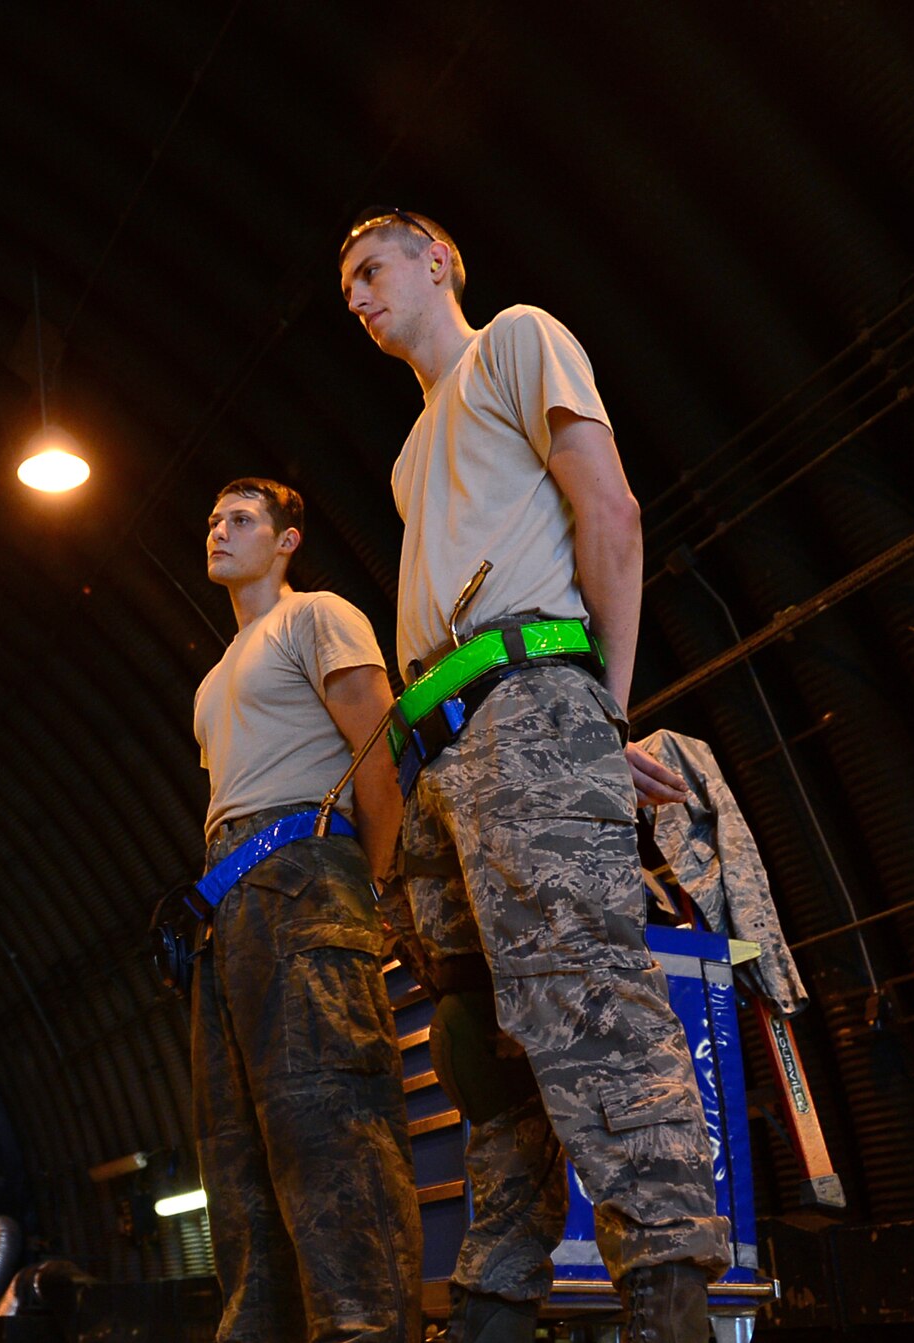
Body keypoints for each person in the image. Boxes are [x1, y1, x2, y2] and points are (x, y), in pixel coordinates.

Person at [338, 210, 730, 1343]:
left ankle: (666, 1298)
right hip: (441, 744)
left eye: (371, 270)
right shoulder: (413, 450)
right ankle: (496, 1299)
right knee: (484, 1047)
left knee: (587, 1002)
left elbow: (608, 511)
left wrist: (599, 715)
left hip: (529, 704)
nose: (357, 299)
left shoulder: (516, 337)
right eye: (345, 288)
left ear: (438, 260)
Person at [189, 478, 423, 1342]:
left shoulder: (315, 613)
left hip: (306, 881)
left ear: (286, 541)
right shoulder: (214, 680)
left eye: (242, 520)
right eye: (214, 519)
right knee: (238, 1153)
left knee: (332, 1134)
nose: (219, 530)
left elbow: (379, 748)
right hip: (229, 907)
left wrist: (376, 885)